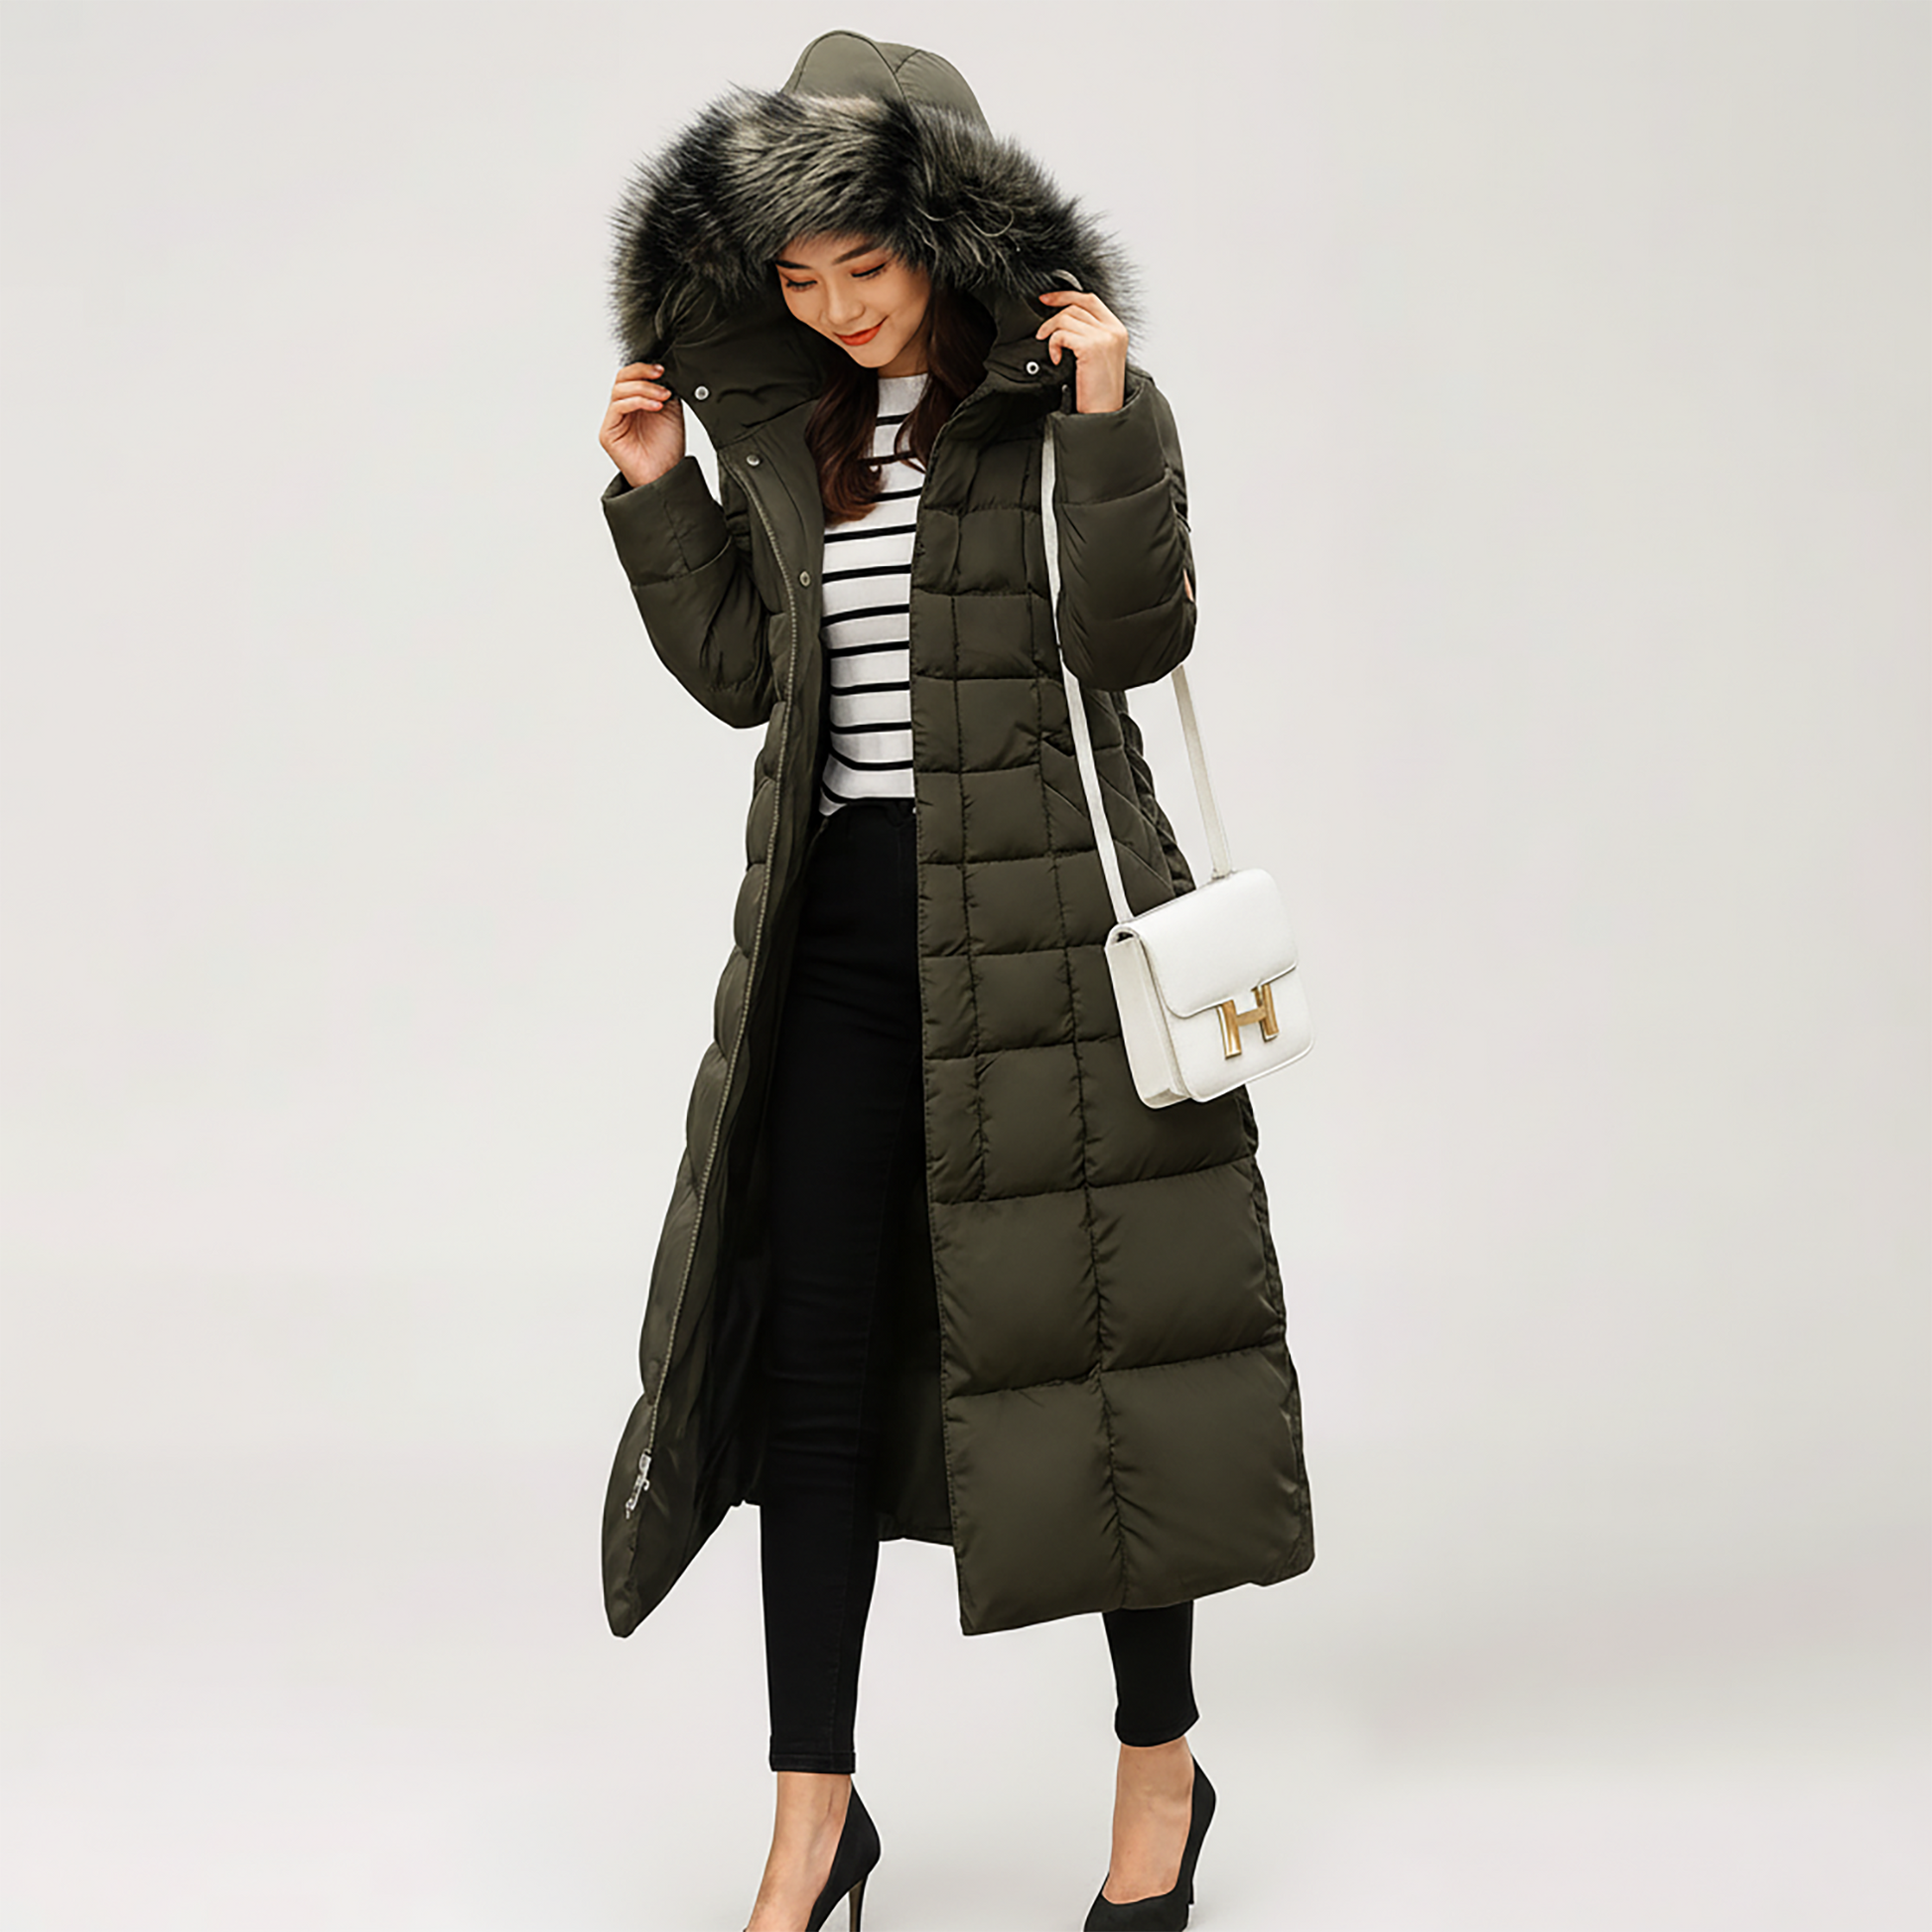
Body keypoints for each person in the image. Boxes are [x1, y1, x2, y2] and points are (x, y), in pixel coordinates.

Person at [593, 31, 1312, 1932]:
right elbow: (750, 680)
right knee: (812, 1369)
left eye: (866, 266)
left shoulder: (1060, 399)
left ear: (944, 233)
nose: (835, 309)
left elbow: (1131, 635)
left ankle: (1157, 1773)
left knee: (1102, 1357)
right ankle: (811, 1820)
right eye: (796, 277)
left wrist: (1109, 415)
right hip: (837, 927)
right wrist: (661, 494)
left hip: (1054, 929)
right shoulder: (790, 426)